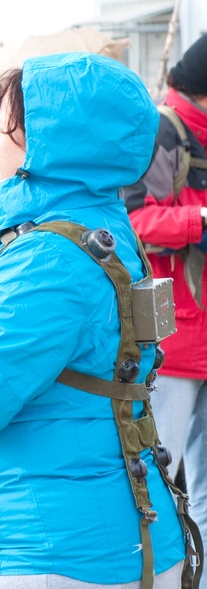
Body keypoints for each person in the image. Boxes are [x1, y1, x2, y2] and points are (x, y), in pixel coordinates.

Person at [0, 52, 190, 586]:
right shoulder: (101, 231)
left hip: (58, 557)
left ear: (48, 147)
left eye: (6, 130)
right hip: (111, 538)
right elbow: (65, 388)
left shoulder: (46, 259)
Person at [125, 32, 207, 534]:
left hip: (195, 334)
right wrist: (200, 220)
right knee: (157, 480)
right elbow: (132, 220)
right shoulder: (163, 130)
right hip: (171, 341)